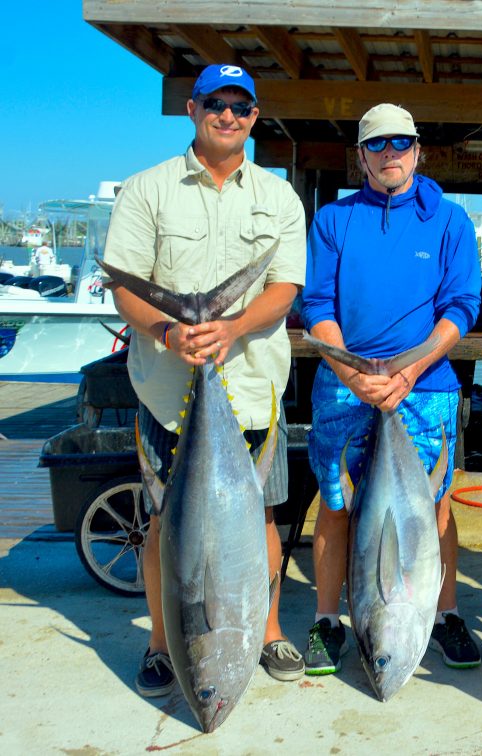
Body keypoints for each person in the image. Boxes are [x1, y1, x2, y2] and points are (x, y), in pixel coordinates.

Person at [102, 64, 309, 695]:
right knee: (167, 520)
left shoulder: (279, 197)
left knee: (263, 519)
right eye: (216, 104)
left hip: (250, 391)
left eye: (240, 107)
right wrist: (169, 332)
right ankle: (164, 643)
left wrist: (234, 326)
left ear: (254, 116)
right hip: (170, 392)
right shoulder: (147, 190)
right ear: (193, 109)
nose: (228, 115)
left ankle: (267, 629)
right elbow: (123, 287)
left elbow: (286, 287)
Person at [301, 103, 482, 674]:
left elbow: (461, 305)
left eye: (400, 144)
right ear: (360, 156)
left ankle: (445, 612)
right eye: (377, 145)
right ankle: (329, 621)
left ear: (418, 150)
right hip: (343, 386)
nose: (390, 155)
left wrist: (409, 369)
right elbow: (317, 306)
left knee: (435, 509)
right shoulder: (334, 219)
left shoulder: (450, 221)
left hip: (424, 388)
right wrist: (355, 372)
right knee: (335, 506)